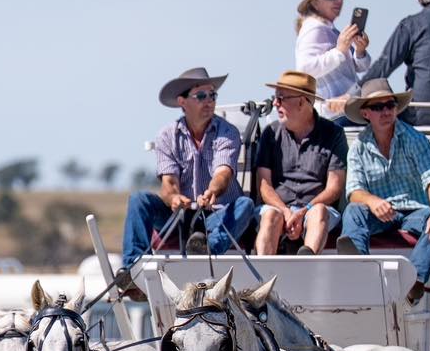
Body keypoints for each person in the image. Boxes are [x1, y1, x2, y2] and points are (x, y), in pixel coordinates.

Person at [119, 66, 254, 281]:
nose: (209, 101)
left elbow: (223, 173)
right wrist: (174, 198)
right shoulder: (167, 136)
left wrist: (211, 192)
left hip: (216, 215)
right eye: (201, 95)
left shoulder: (227, 132)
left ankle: (208, 248)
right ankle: (132, 269)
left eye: (212, 95)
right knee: (139, 200)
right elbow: (169, 183)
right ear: (182, 102)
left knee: (245, 205)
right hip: (180, 217)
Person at [336, 78, 430, 305]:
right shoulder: (358, 146)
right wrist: (373, 201)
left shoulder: (414, 139)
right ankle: (359, 269)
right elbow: (354, 191)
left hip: (414, 213)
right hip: (380, 215)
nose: (386, 111)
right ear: (366, 113)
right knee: (353, 211)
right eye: (378, 107)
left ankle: (414, 279)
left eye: (390, 105)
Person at [254, 71, 347, 255]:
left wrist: (304, 210)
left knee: (319, 212)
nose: (275, 103)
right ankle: (262, 279)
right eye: (275, 98)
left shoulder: (333, 134)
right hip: (278, 207)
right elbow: (264, 186)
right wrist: (286, 212)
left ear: (302, 102)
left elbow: (334, 188)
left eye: (281, 98)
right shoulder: (270, 134)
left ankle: (307, 268)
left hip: (314, 208)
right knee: (271, 215)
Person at [294, 0, 371, 122]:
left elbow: (358, 67)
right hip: (333, 116)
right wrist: (340, 51)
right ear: (315, 2)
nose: (339, 0)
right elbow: (304, 69)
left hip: (345, 110)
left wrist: (360, 51)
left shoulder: (330, 29)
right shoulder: (313, 29)